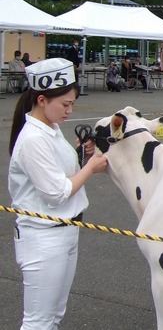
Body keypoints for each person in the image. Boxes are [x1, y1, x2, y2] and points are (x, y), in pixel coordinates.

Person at [8, 58, 108, 329]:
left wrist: (79, 155)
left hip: (64, 230)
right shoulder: (33, 139)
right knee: (38, 322)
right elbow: (57, 191)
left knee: (53, 316)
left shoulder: (49, 130)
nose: (69, 111)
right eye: (65, 104)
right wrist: (91, 167)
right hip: (44, 236)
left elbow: (60, 172)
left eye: (72, 103)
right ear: (42, 100)